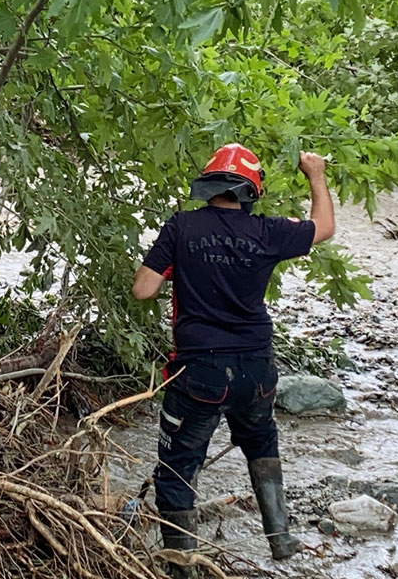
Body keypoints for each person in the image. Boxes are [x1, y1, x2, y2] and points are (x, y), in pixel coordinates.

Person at [132, 144, 335, 576]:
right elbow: (325, 227)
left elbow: (143, 290)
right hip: (257, 370)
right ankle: (280, 538)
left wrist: (178, 267)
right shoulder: (269, 231)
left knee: (177, 469)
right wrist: (314, 173)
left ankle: (182, 567)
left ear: (209, 186)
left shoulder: (182, 227)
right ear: (250, 191)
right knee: (261, 441)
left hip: (200, 372)